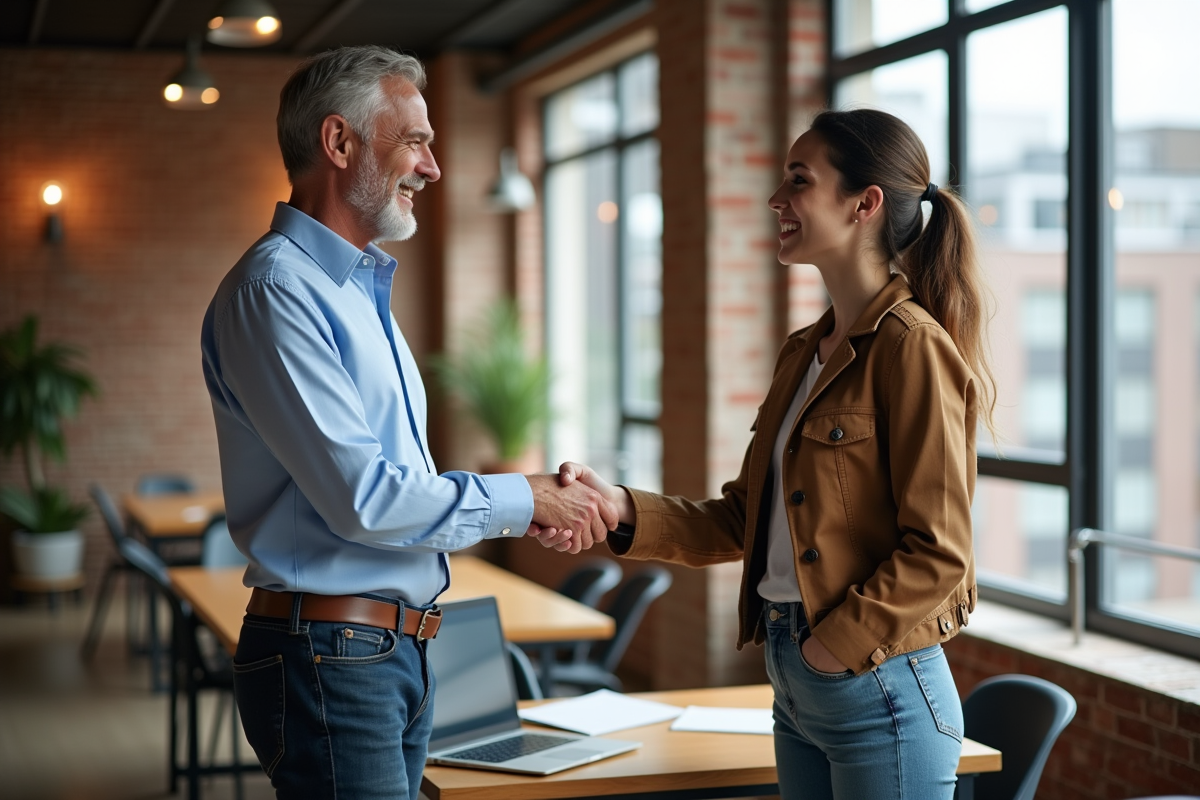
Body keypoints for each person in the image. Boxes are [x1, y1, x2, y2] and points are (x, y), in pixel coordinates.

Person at [200, 46, 616, 800]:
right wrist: (526, 498)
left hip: (391, 646)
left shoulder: (359, 292)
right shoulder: (277, 291)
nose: (433, 168)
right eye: (416, 140)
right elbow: (368, 499)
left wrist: (530, 506)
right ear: (339, 143)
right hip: (333, 650)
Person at [555, 108, 995, 799]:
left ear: (864, 204)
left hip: (875, 689)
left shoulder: (912, 346)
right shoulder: (804, 353)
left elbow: (940, 553)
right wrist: (618, 507)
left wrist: (831, 651)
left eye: (799, 180)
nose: (776, 200)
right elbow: (743, 518)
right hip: (797, 687)